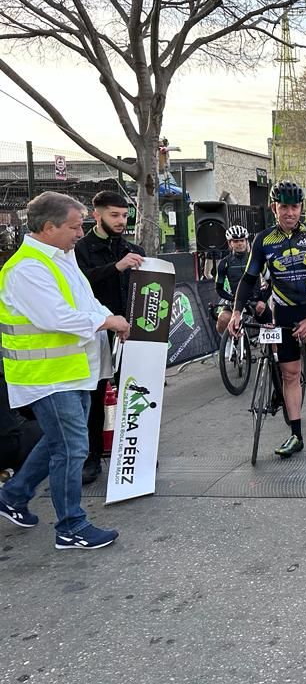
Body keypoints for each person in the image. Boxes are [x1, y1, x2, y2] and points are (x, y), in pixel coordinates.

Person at [0, 191, 130, 549]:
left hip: (72, 371)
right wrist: (107, 320)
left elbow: (85, 300)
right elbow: (56, 317)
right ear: (48, 227)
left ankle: (14, 495)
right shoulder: (26, 269)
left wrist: (108, 318)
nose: (80, 233)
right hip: (47, 378)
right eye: (74, 226)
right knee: (72, 448)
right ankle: (71, 525)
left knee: (58, 442)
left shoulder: (61, 257)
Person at [229, 180, 306, 457]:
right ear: (274, 208)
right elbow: (248, 278)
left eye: (294, 207)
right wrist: (235, 311)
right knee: (289, 374)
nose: (290, 212)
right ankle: (296, 435)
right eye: (284, 207)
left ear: (301, 208)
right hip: (284, 314)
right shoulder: (263, 240)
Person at [73, 190, 145, 485]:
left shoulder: (131, 247)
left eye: (125, 215)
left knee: (135, 391)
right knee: (95, 395)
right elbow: (80, 283)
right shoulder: (81, 248)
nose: (121, 220)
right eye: (114, 215)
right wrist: (116, 266)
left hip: (129, 331)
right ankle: (92, 456)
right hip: (97, 331)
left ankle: (136, 448)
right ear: (97, 214)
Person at [214, 225, 269, 334]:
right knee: (222, 319)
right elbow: (219, 288)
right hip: (234, 301)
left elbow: (271, 281)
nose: (239, 243)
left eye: (242, 240)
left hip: (255, 300)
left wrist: (263, 300)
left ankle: (275, 351)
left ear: (246, 241)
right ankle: (229, 346)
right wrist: (232, 298)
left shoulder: (256, 259)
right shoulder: (224, 263)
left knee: (272, 326)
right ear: (230, 243)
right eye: (235, 241)